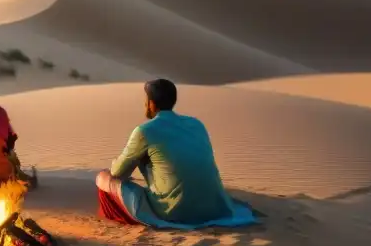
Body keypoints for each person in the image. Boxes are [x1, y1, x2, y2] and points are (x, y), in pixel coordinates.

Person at [96, 78, 254, 229]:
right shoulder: (197, 124)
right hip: (215, 208)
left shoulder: (144, 131)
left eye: (147, 100)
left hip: (174, 212)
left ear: (151, 103)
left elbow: (117, 172)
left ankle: (114, 222)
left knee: (103, 177)